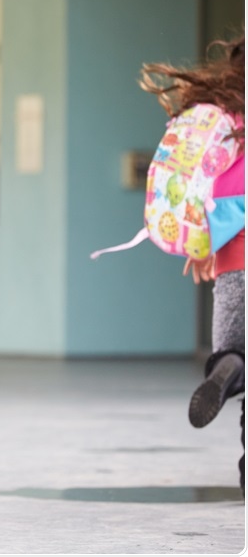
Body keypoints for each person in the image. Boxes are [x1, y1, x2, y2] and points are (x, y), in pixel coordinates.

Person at [140, 33, 245, 491]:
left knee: (236, 351)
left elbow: (214, 193)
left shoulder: (221, 123)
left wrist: (203, 244)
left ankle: (228, 367)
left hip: (231, 262)